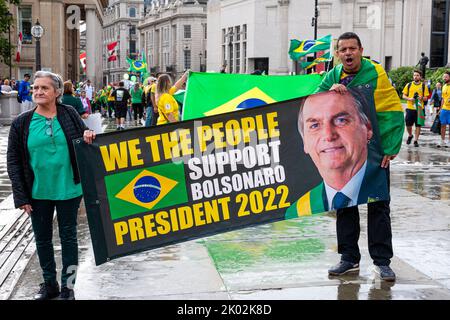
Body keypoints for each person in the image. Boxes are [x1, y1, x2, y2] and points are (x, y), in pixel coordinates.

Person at [312, 32, 404, 282]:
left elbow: (392, 110)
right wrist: (329, 93)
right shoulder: (332, 76)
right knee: (345, 204)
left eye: (353, 48)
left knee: (378, 205)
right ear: (337, 54)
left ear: (361, 50)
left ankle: (382, 261)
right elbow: (314, 105)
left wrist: (391, 146)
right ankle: (349, 258)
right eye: (343, 50)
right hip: (344, 152)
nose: (348, 53)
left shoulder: (376, 73)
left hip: (375, 151)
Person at [7, 71, 93, 300]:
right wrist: (21, 196)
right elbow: (13, 161)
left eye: (44, 88)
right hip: (37, 192)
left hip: (69, 188)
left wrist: (88, 136)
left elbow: (84, 137)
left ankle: (69, 286)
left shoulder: (69, 114)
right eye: (35, 88)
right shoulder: (21, 123)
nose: (38, 92)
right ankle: (49, 285)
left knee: (69, 238)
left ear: (56, 92)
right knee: (42, 239)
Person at [285, 91, 391, 218]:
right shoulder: (297, 211)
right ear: (305, 142)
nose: (328, 136)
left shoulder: (378, 189)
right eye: (314, 125)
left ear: (367, 129)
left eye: (341, 120)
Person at [402, 70, 429, 147]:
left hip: (420, 108)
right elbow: (403, 96)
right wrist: (410, 99)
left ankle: (416, 140)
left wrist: (421, 98)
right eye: (414, 75)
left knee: (418, 125)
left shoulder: (424, 86)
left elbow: (426, 98)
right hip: (410, 108)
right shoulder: (409, 85)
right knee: (408, 125)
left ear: (420, 77)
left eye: (417, 75)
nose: (415, 77)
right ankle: (410, 135)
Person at [438, 71, 450, 148]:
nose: (444, 78)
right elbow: (442, 98)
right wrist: (440, 109)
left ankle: (449, 142)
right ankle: (442, 141)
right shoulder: (444, 86)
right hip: (444, 109)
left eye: (446, 77)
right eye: (444, 77)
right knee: (443, 125)